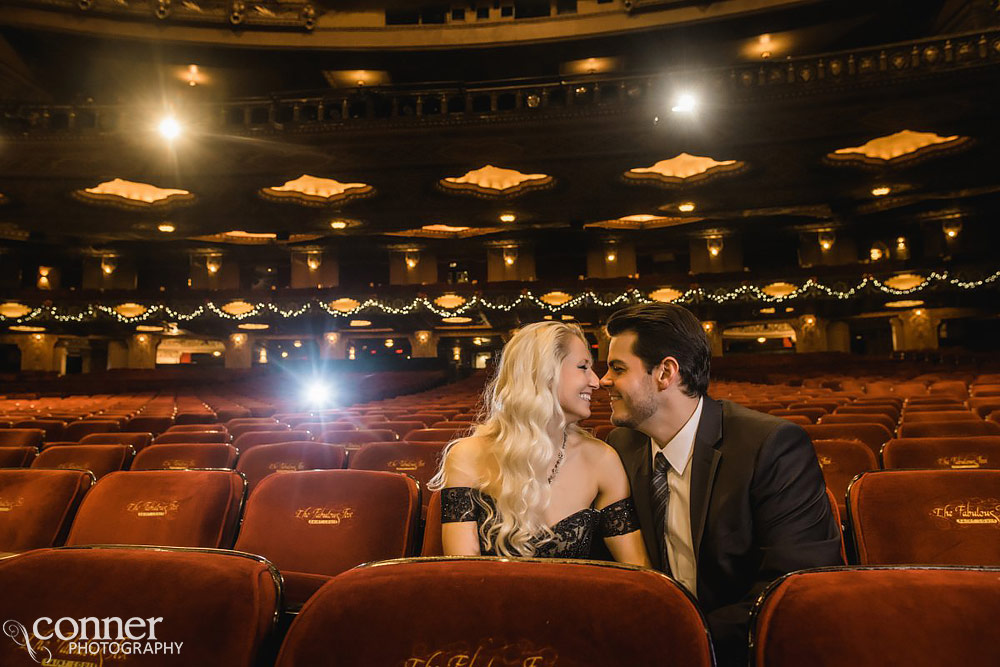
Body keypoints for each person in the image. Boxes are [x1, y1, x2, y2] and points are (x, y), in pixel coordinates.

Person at [600, 303, 842, 667]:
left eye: (617, 368)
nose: (603, 380)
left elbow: (797, 585)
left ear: (665, 373)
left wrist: (680, 638)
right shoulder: (621, 445)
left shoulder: (771, 446)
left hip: (746, 652)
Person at [430, 321, 650, 566]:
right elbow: (462, 570)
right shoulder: (466, 455)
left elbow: (637, 569)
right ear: (543, 374)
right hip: (487, 600)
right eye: (582, 367)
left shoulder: (602, 459)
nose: (596, 381)